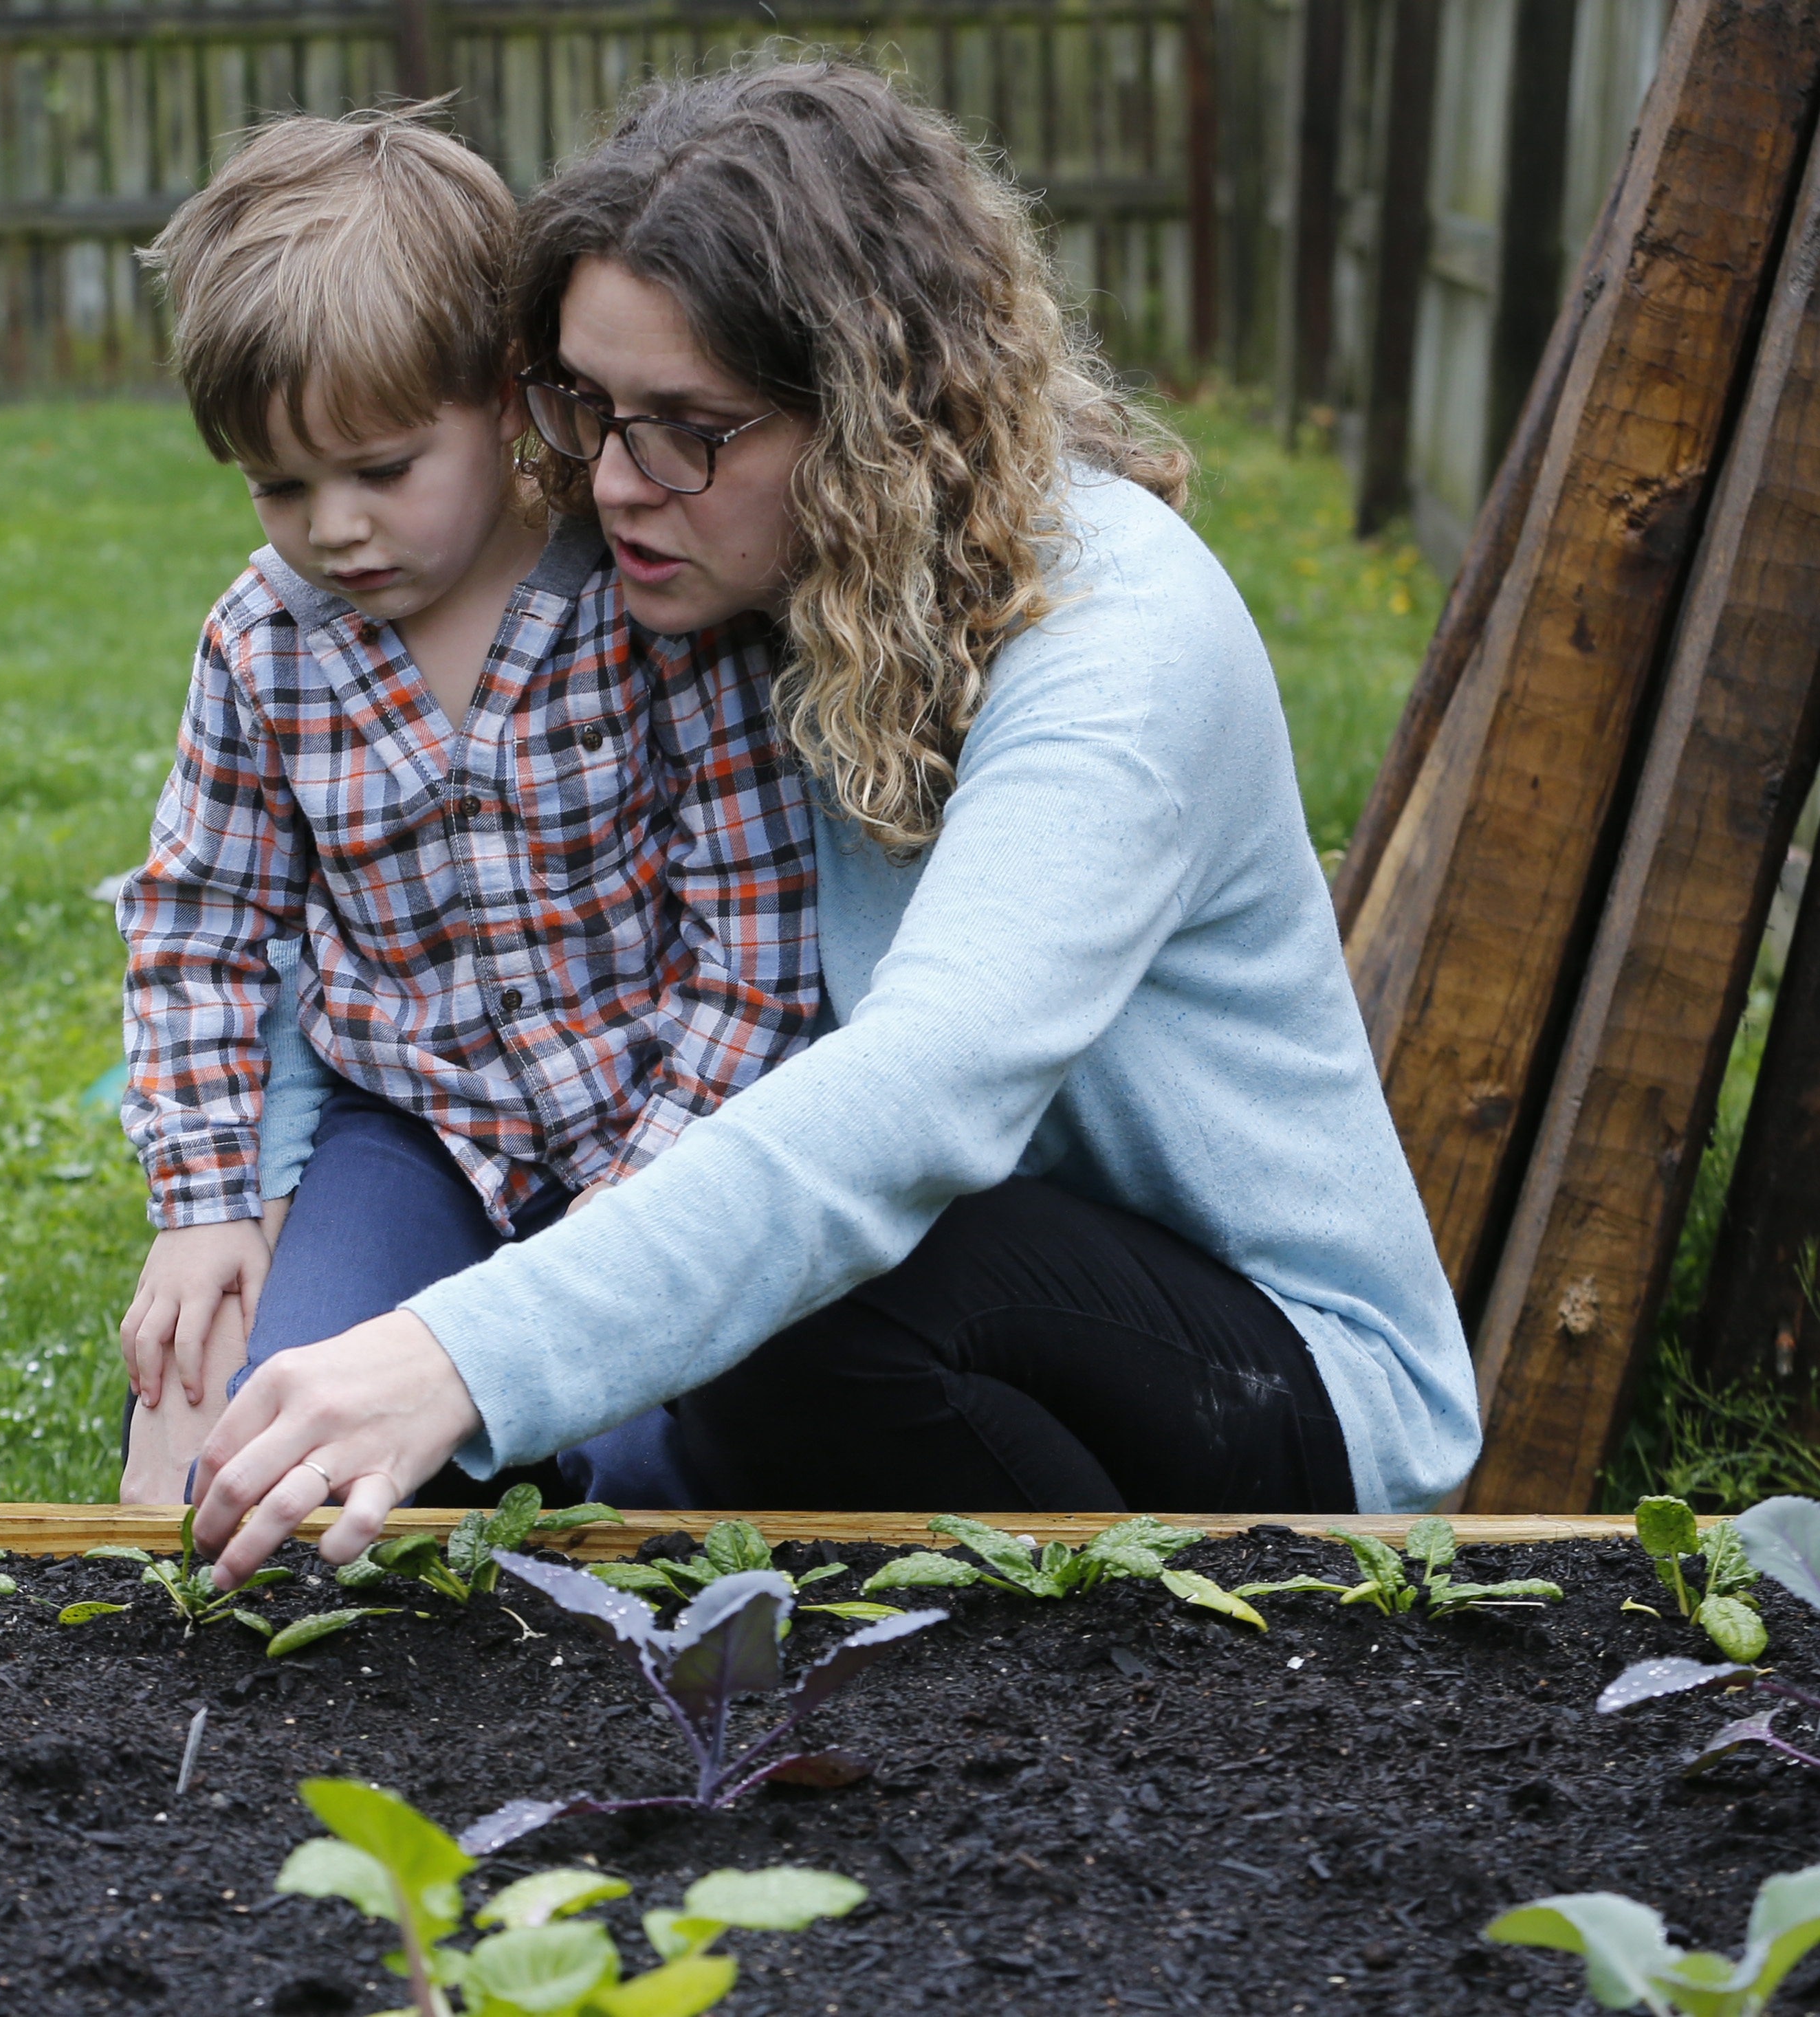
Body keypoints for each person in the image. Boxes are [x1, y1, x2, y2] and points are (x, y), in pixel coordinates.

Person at [184, 56, 1483, 1587]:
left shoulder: (1112, 646)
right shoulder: (746, 585)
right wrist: (243, 1207)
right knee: (746, 1335)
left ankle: (1124, 1675)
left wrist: (455, 1357)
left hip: (1273, 1381)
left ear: (865, 414)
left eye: (683, 426)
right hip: (958, 1286)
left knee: (807, 1318)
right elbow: (312, 887)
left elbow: (916, 1096)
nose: (609, 482)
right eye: (587, 409)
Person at [113, 108, 828, 1503]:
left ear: (505, 396)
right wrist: (200, 1205)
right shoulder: (265, 649)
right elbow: (197, 929)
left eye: (380, 468)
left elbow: (757, 947)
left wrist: (641, 1210)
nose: (334, 528)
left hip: (649, 1136)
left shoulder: (645, 600)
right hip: (416, 1139)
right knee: (268, 1447)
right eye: (278, 485)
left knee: (659, 1474)